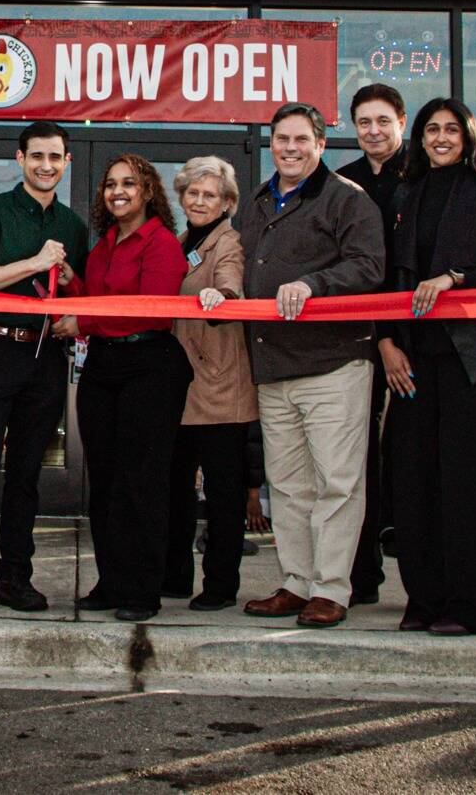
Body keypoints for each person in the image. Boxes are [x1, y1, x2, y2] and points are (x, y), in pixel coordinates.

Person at [239, 102, 385, 629]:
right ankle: (296, 583)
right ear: (272, 144)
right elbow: (241, 264)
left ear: (321, 145)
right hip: (273, 368)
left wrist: (314, 285)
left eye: (302, 139)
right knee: (289, 486)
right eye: (282, 139)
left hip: (333, 365)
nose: (290, 148)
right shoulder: (255, 203)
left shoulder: (347, 199)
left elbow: (369, 266)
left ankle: (331, 588)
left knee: (337, 484)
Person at [378, 97, 476, 635]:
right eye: (431, 129)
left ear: (469, 137)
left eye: (451, 129)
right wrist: (387, 341)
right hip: (415, 356)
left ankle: (473, 608)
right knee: (415, 482)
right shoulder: (405, 193)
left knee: (470, 484)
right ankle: (425, 601)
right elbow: (391, 277)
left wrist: (456, 278)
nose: (440, 137)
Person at [0, 120, 89, 619]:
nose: (46, 165)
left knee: (27, 475)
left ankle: (15, 579)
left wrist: (70, 283)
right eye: (37, 156)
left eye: (55, 157)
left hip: (45, 356)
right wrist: (34, 262)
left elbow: (81, 296)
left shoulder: (72, 224)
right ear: (20, 159)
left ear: (67, 162)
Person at [73, 154, 191, 622]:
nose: (117, 191)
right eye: (110, 184)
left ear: (147, 192)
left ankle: (143, 590)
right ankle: (112, 581)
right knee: (104, 481)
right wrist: (73, 284)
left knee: (140, 481)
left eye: (129, 183)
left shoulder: (162, 243)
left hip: (149, 365)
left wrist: (80, 318)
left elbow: (151, 309)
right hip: (103, 365)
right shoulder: (103, 243)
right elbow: (98, 302)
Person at [165, 157, 256, 611]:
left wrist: (223, 295)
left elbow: (231, 284)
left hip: (220, 385)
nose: (199, 201)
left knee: (222, 495)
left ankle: (220, 586)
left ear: (227, 203)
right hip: (181, 386)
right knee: (175, 489)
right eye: (192, 193)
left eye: (210, 195)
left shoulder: (229, 242)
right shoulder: (182, 242)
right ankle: (175, 577)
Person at [335, 82, 406, 606]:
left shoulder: (421, 178)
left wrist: (393, 337)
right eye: (364, 123)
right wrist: (378, 338)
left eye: (383, 121)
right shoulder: (345, 184)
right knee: (356, 460)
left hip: (415, 340)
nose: (373, 131)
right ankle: (362, 574)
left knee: (408, 456)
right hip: (359, 339)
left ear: (400, 122)